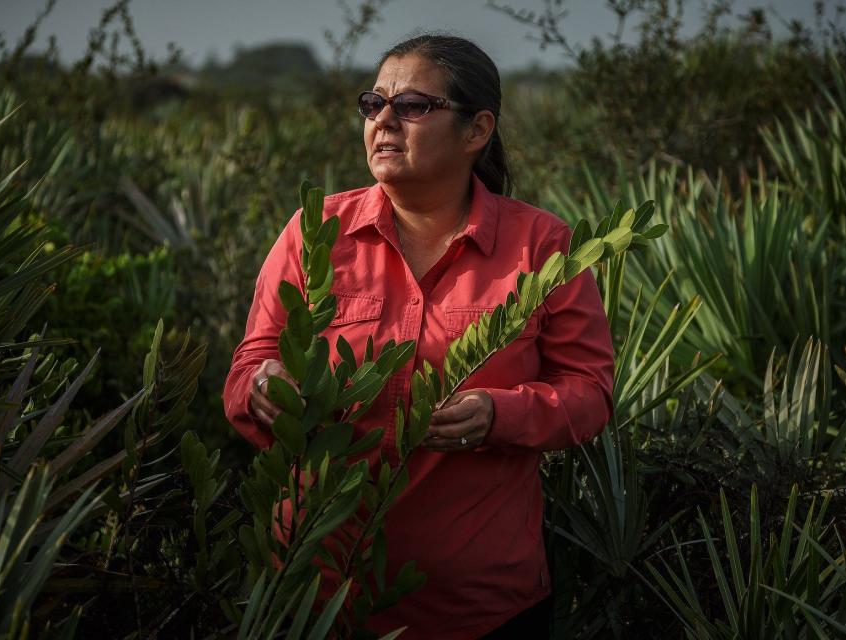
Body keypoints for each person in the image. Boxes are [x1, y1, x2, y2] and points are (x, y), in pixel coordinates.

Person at [223, 33, 614, 640]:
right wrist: (261, 387)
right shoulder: (315, 232)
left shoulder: (542, 247)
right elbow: (252, 361)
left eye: (412, 106)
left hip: (480, 609)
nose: (383, 120)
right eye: (373, 102)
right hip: (314, 594)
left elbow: (590, 391)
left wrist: (499, 414)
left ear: (476, 130)